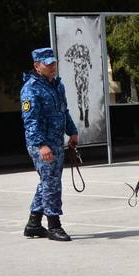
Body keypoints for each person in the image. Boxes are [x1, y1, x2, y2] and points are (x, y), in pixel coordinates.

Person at [20, 47, 79, 241]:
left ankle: (34, 224)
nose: (53, 67)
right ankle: (54, 226)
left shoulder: (57, 85)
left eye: (54, 63)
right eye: (48, 64)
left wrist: (72, 131)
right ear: (37, 66)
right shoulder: (30, 89)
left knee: (48, 181)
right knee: (51, 183)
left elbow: (64, 111)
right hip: (42, 145)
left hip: (56, 142)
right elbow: (31, 121)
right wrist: (41, 145)